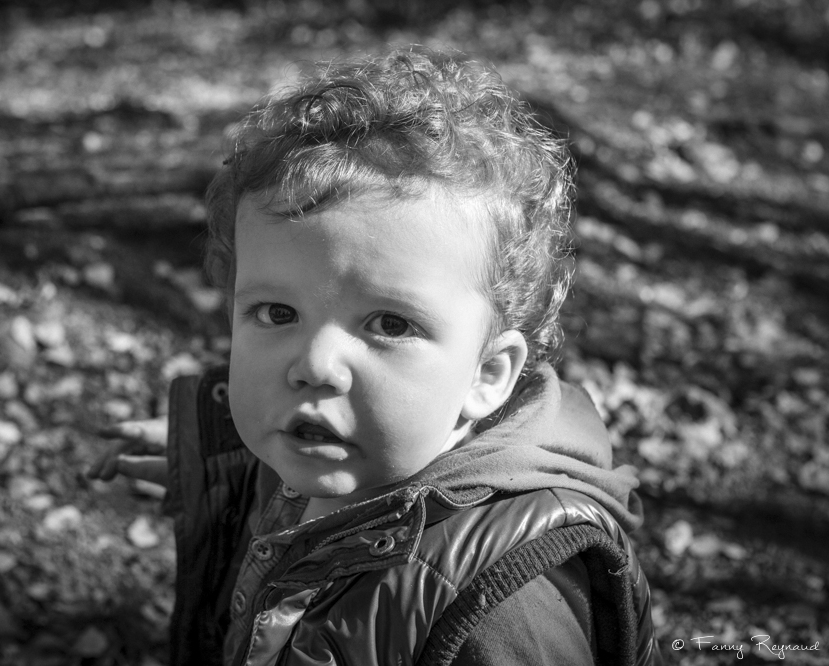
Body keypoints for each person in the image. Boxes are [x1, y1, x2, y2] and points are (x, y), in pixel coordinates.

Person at [87, 47, 659, 666]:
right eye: (278, 314)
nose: (315, 364)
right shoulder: (330, 453)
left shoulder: (502, 604)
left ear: (488, 375)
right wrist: (216, 458)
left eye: (390, 324)